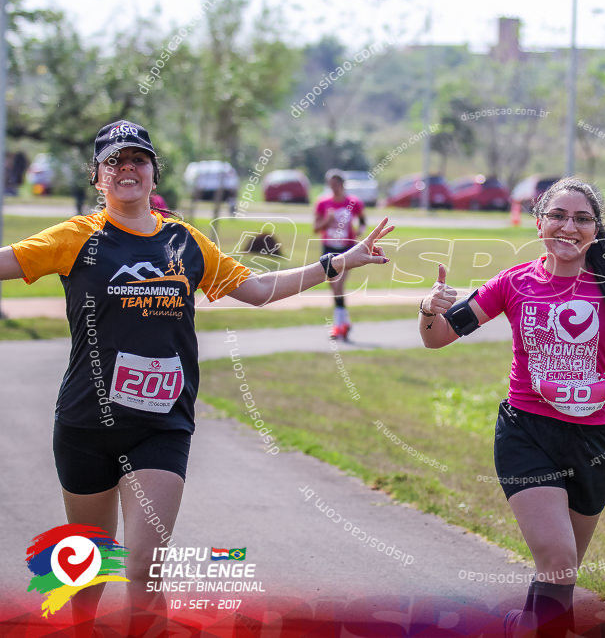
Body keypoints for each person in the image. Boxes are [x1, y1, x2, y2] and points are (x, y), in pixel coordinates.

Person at [0, 120, 393, 635]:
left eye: (137, 160)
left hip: (161, 424)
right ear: (97, 176)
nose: (127, 170)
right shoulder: (75, 237)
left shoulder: (184, 242)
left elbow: (257, 290)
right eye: (114, 162)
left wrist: (336, 262)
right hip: (86, 422)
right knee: (88, 568)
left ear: (153, 173)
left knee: (143, 566)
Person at [417, 178, 605, 637]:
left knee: (561, 572)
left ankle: (523, 626)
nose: (568, 227)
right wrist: (428, 309)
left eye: (582, 219)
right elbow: (437, 338)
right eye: (558, 215)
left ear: (595, 230)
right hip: (527, 433)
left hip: (596, 444)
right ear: (539, 224)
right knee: (558, 561)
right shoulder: (512, 283)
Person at [314, 169, 366, 340]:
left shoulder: (353, 202)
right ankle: (345, 323)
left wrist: (359, 232)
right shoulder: (323, 203)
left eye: (336, 185)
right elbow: (315, 228)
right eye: (331, 185)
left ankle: (337, 326)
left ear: (342, 185)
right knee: (334, 287)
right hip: (328, 249)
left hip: (346, 249)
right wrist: (327, 221)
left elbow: (363, 220)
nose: (333, 188)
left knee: (338, 286)